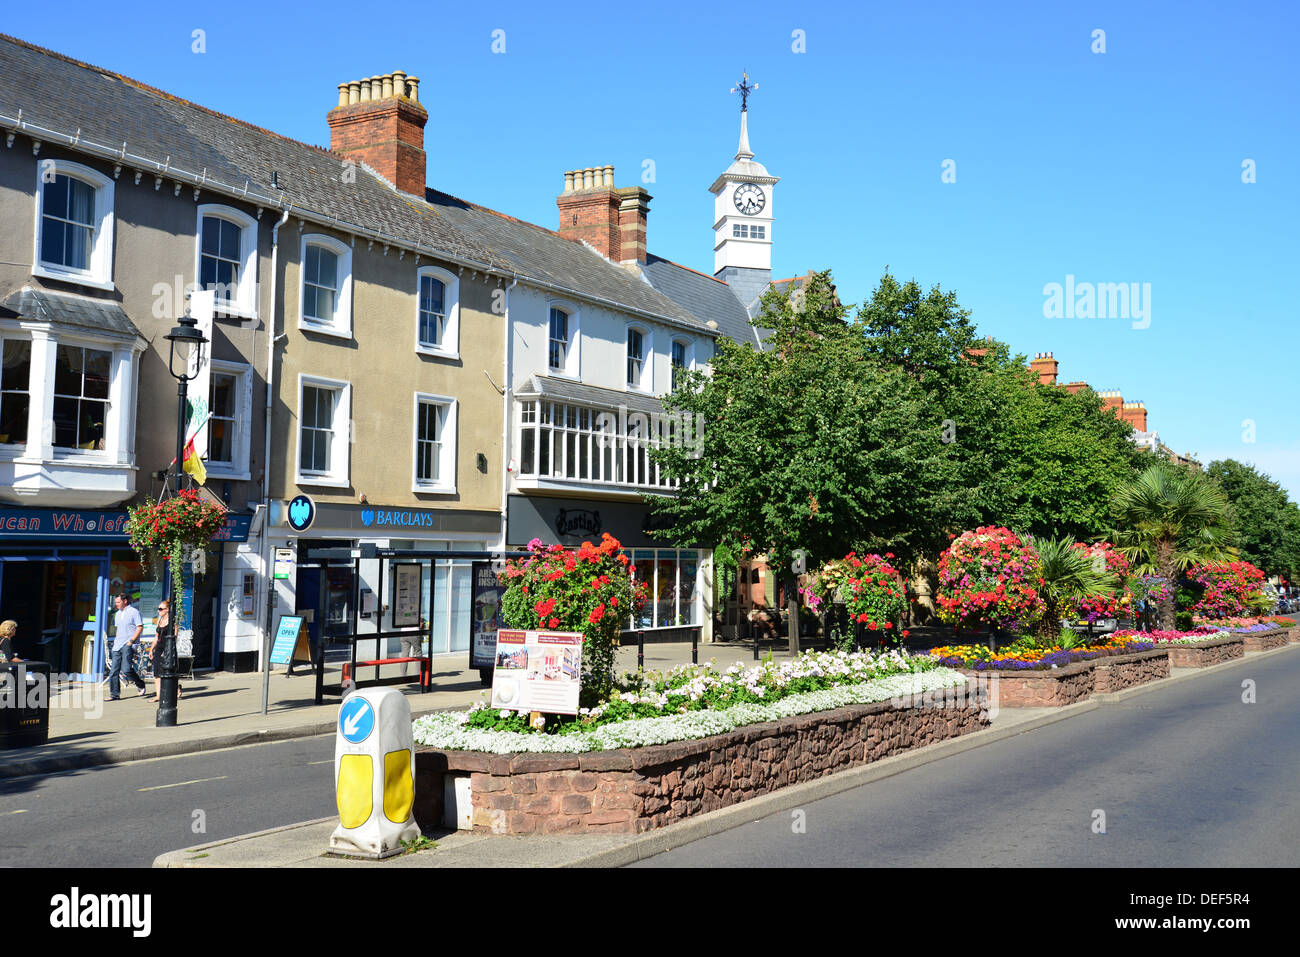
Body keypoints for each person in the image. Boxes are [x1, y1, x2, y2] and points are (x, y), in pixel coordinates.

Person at [108, 593, 147, 700]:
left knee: (126, 669)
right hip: (117, 645)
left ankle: (140, 684)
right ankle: (114, 694)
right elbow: (118, 630)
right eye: (115, 602)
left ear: (125, 601)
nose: (116, 604)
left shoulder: (134, 612)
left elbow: (139, 627)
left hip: (128, 644)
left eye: (118, 602)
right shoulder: (117, 614)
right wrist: (116, 642)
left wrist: (131, 641)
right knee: (113, 671)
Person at [150, 599, 182, 701]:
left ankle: (177, 689)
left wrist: (168, 650)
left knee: (167, 672)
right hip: (159, 649)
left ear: (167, 610)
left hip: (167, 648)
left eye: (160, 609)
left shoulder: (172, 622)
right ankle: (158, 696)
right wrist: (151, 649)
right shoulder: (159, 621)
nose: (158, 611)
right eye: (158, 609)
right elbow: (156, 637)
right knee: (157, 673)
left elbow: (175, 636)